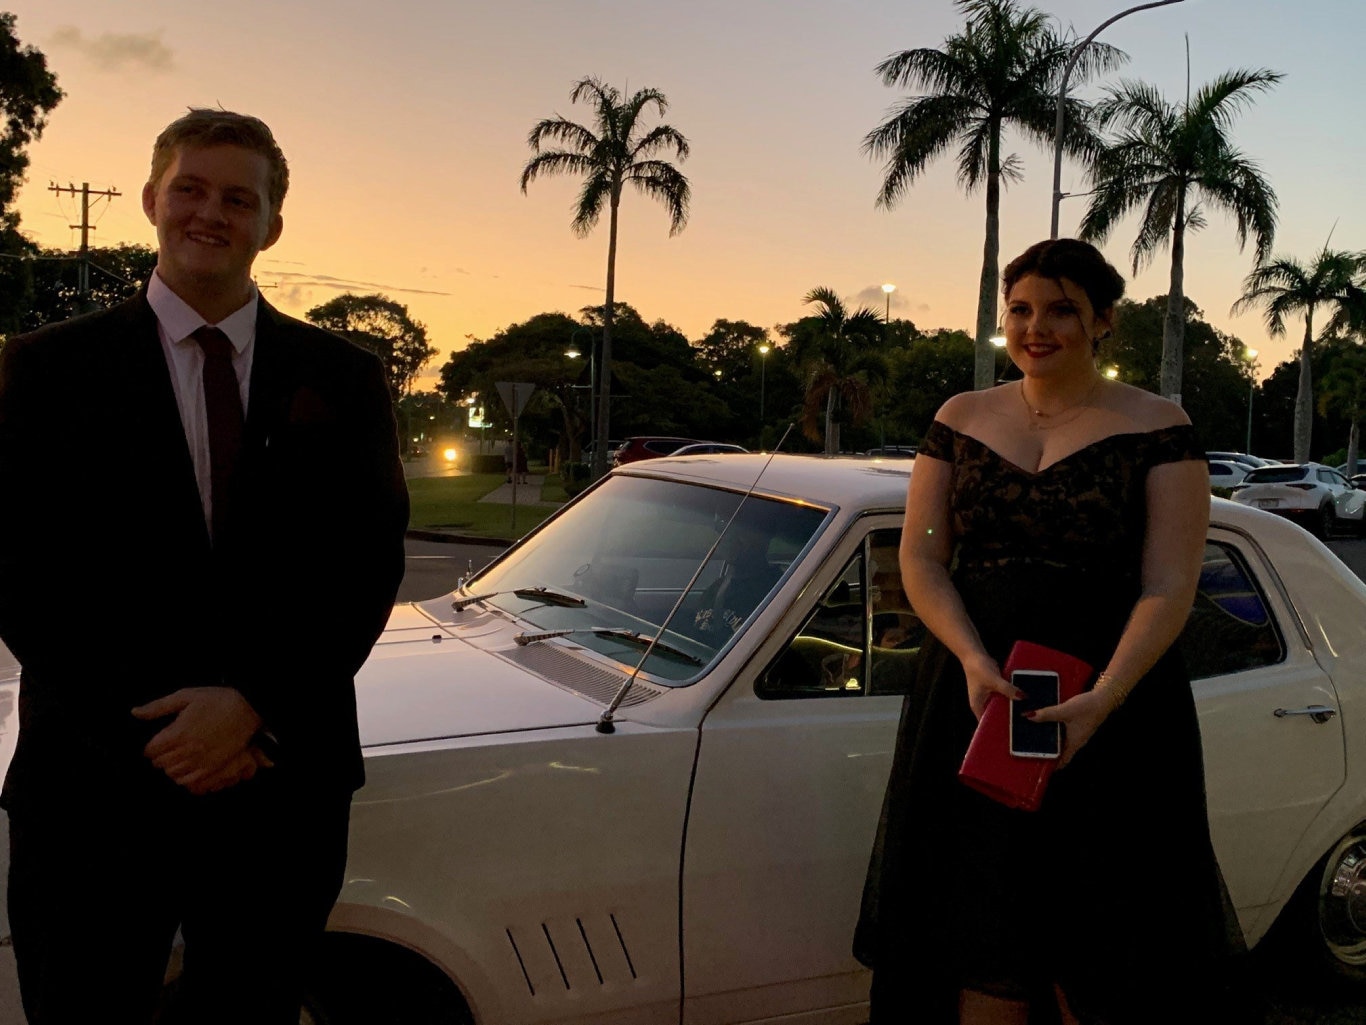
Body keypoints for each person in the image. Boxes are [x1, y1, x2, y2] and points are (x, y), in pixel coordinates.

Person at [0, 109, 409, 1024]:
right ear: (152, 199)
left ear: (271, 223)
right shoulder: (41, 370)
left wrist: (251, 704)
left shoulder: (344, 378)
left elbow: (365, 564)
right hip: (92, 794)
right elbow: (21, 573)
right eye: (190, 188)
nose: (209, 213)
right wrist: (174, 734)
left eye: (238, 197)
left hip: (278, 791)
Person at [854, 239, 1243, 1024]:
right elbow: (922, 562)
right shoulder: (959, 418)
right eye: (1021, 309)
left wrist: (1103, 698)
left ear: (1103, 321)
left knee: (1104, 942)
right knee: (977, 928)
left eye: (1061, 309)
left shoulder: (1159, 426)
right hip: (974, 707)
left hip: (1116, 714)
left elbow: (1169, 585)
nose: (1037, 327)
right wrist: (968, 656)